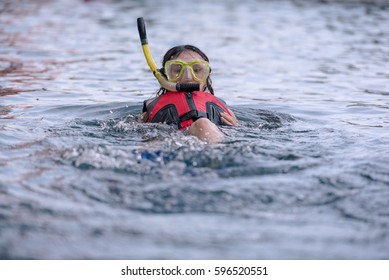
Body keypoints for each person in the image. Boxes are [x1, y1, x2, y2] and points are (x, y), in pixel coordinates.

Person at [140, 45, 238, 143]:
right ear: (165, 76)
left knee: (202, 124)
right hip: (169, 143)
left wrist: (236, 127)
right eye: (178, 70)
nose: (188, 77)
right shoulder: (148, 113)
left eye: (196, 70)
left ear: (207, 75)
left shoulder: (227, 112)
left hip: (206, 141)